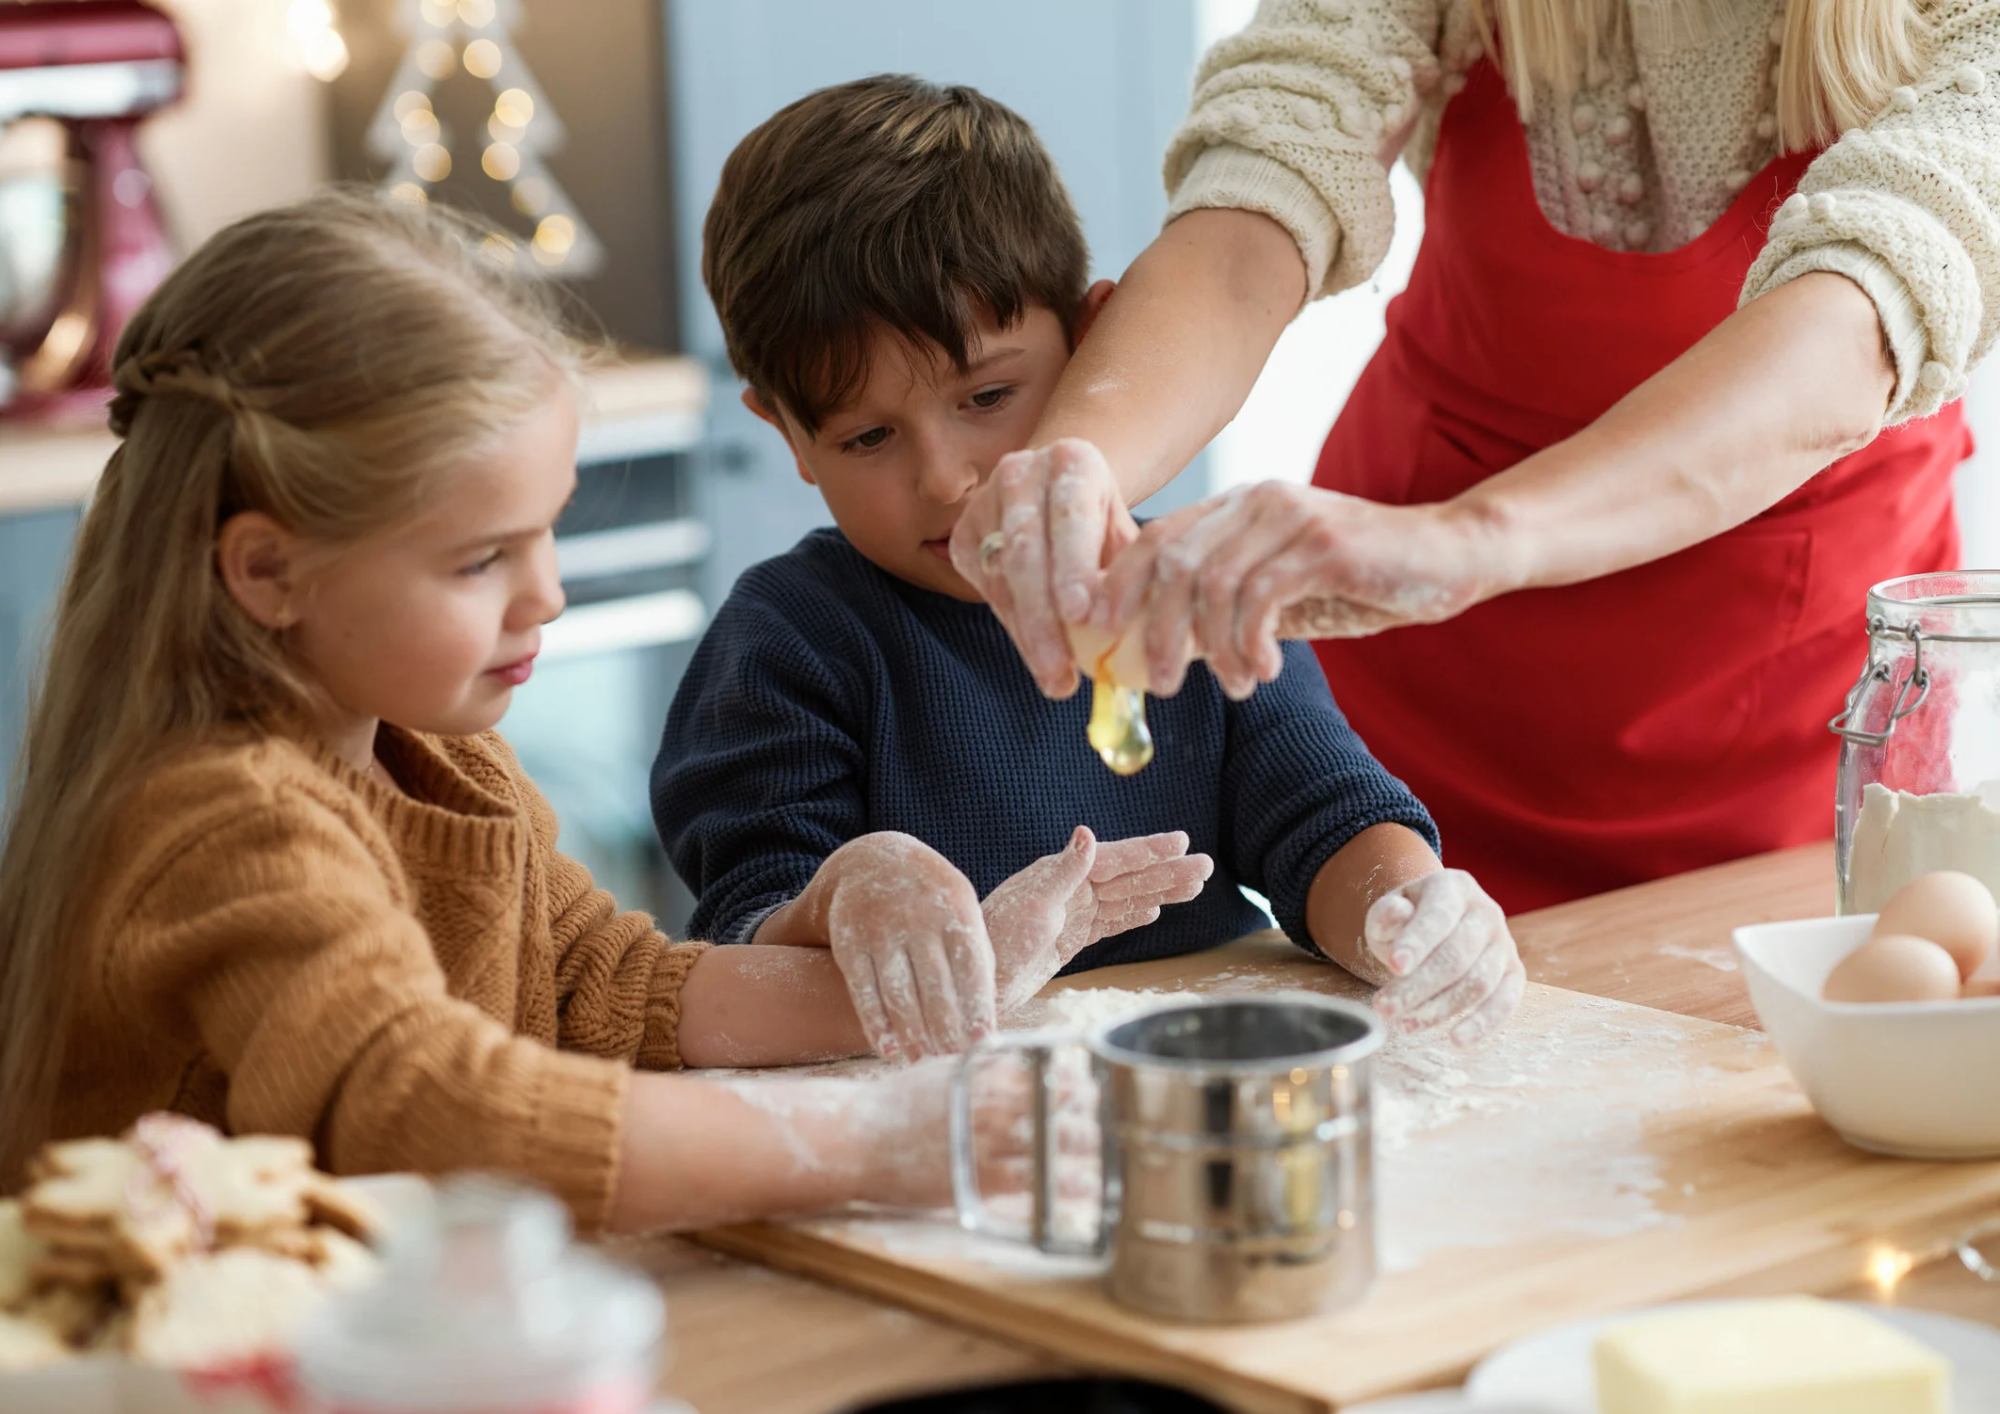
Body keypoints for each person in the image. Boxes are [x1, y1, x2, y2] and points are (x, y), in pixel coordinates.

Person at [0, 192, 1117, 1226]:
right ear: (268, 572)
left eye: (548, 532)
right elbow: (428, 1109)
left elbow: (601, 988)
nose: (547, 595)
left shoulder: (437, 754)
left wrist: (941, 981)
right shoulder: (223, 824)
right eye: (481, 559)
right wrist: (873, 1139)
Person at [949, 0, 1999, 913]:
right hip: (1411, 709)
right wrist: (1075, 462)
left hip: (1777, 722)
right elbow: (1260, 189)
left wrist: (1464, 542)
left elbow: (1861, 316)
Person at [652, 76, 1524, 1046]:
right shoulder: (786, 643)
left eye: (986, 397)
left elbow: (1321, 818)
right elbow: (746, 932)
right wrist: (846, 896)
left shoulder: (1186, 588)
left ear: (1095, 339)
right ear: (787, 436)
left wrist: (1405, 917)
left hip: (1196, 1076)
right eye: (867, 438)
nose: (946, 479)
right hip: (926, 1119)